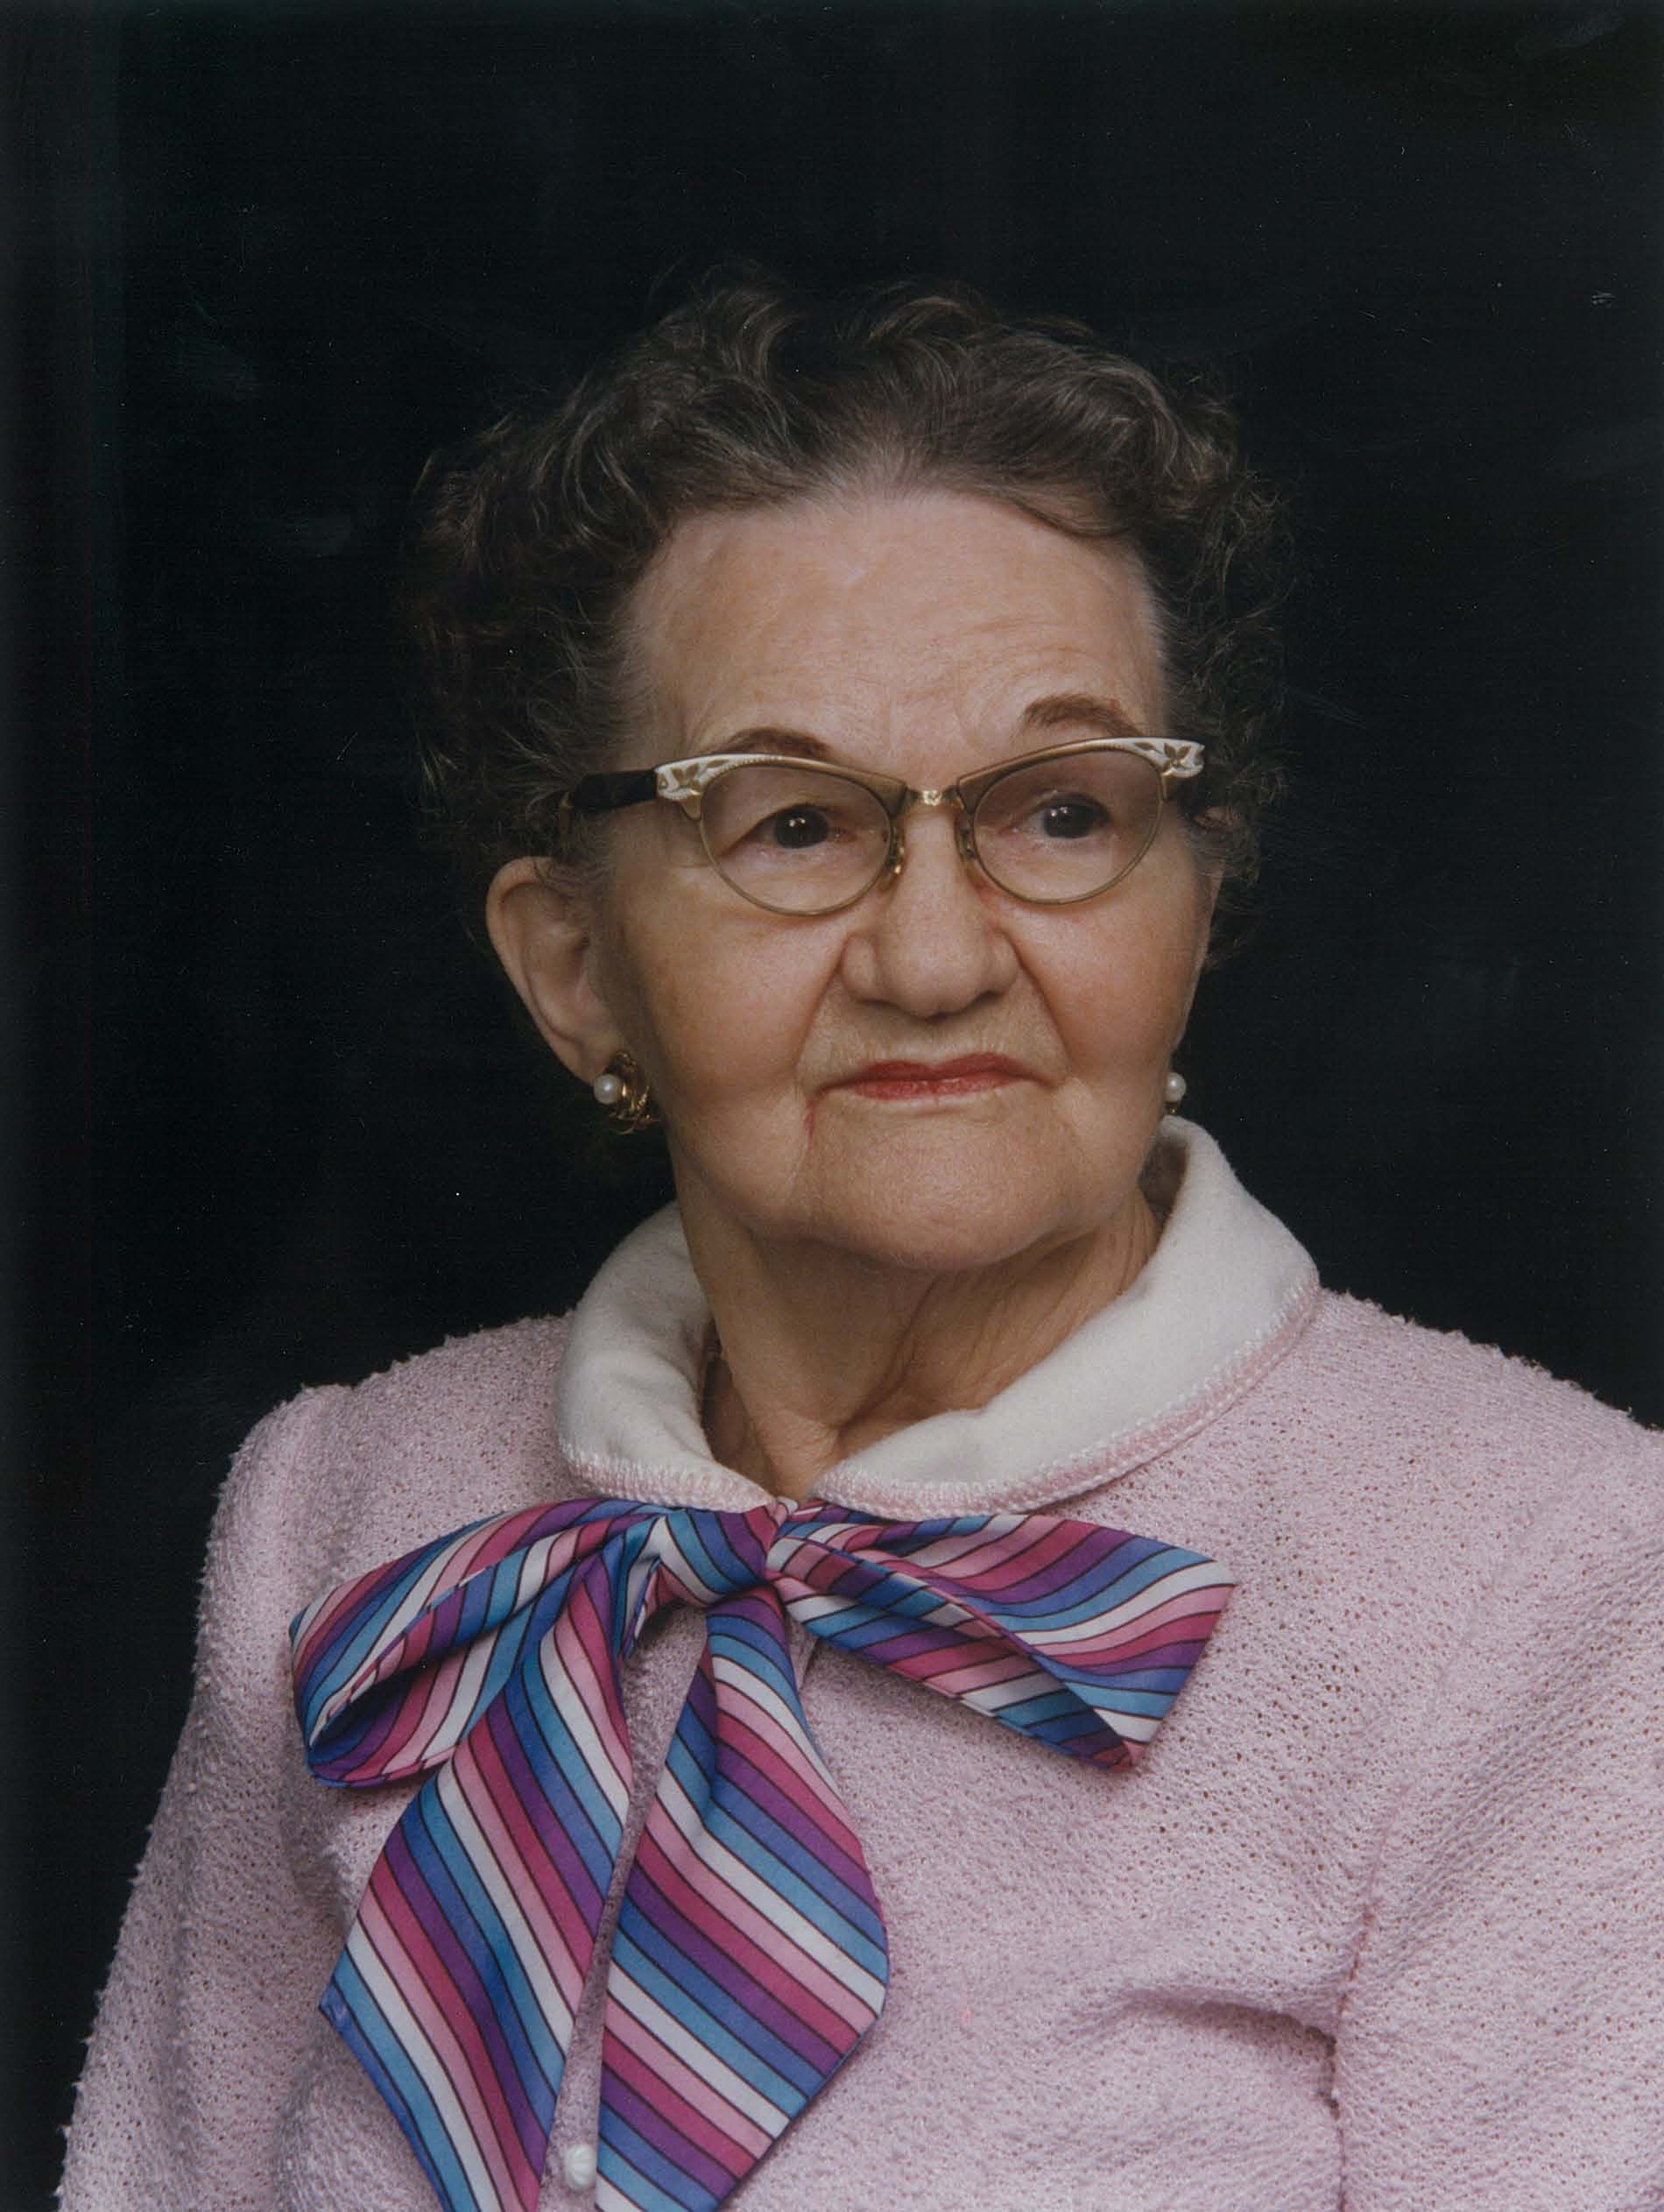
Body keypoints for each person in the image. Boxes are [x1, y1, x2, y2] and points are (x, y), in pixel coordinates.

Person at [62, 279, 1661, 2212]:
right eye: (793, 826)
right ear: (574, 965)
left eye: (1059, 811)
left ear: (1191, 899)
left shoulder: (1555, 1576)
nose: (933, 955)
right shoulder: (346, 1515)